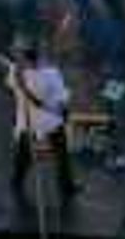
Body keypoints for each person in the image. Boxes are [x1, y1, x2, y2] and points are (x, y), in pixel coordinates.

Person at [4, 41, 78, 199]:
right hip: (44, 121)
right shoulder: (51, 73)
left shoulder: (17, 73)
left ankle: (16, 182)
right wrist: (64, 111)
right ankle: (67, 187)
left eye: (22, 59)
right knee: (59, 155)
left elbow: (10, 85)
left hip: (32, 122)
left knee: (27, 155)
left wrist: (16, 73)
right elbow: (62, 98)